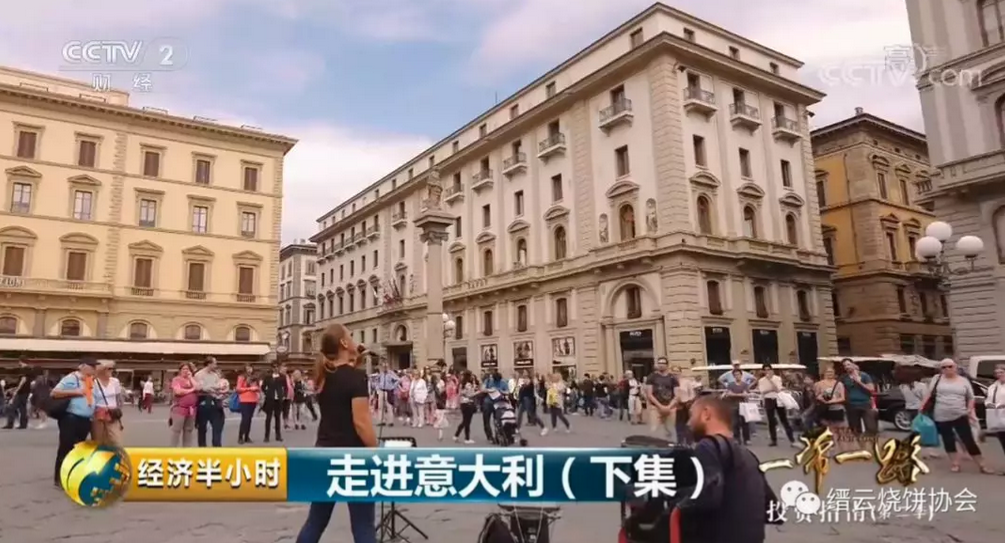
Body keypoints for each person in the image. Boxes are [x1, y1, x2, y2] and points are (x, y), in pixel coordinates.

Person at [295, 323, 378, 543]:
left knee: (316, 520)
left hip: (324, 451)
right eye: (350, 336)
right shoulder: (356, 377)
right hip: (354, 455)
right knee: (363, 524)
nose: (353, 340)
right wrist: (375, 450)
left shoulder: (323, 376)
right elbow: (361, 422)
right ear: (343, 342)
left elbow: (341, 381)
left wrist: (355, 362)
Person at [679, 395, 769, 543]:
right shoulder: (748, 455)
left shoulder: (708, 446)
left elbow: (707, 498)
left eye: (691, 415)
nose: (689, 423)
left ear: (706, 414)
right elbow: (771, 506)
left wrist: (675, 498)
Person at [921, 359, 994, 474]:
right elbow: (929, 394)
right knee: (948, 440)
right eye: (944, 367)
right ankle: (955, 463)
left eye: (950, 366)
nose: (947, 369)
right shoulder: (937, 379)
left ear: (955, 367)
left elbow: (971, 397)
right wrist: (921, 407)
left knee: (968, 440)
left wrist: (969, 410)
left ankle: (982, 465)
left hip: (960, 414)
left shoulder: (963, 381)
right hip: (941, 414)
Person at [52, 359, 96, 488]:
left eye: (94, 366)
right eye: (91, 366)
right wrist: (76, 392)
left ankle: (73, 475)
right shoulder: (71, 378)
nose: (93, 368)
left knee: (79, 448)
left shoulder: (90, 381)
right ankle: (60, 477)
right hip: (71, 417)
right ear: (82, 366)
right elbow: (54, 393)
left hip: (85, 418)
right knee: (66, 447)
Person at [839, 359, 878, 448]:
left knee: (871, 427)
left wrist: (859, 381)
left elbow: (871, 388)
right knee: (855, 428)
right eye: (845, 366)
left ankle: (872, 445)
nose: (847, 367)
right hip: (851, 405)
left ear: (853, 364)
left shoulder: (864, 375)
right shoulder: (844, 378)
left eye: (848, 364)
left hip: (865, 404)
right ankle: (860, 447)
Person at [757, 364, 795, 447]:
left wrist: (770, 381)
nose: (767, 371)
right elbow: (763, 391)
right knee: (771, 420)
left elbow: (778, 389)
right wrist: (770, 389)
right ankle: (773, 440)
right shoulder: (761, 380)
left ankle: (792, 439)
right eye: (765, 370)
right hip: (768, 399)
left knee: (783, 419)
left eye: (769, 369)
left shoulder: (777, 378)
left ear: (772, 370)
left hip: (778, 399)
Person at [194, 357, 229, 447]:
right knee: (202, 427)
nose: (216, 365)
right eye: (215, 363)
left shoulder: (215, 375)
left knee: (218, 425)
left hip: (215, 400)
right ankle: (202, 447)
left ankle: (216, 446)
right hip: (203, 400)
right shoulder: (199, 375)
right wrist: (214, 388)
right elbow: (201, 388)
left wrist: (217, 389)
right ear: (209, 364)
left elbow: (219, 387)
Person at [92, 360, 124, 447]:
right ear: (101, 370)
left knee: (116, 441)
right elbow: (91, 399)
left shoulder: (115, 381)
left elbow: (119, 398)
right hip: (98, 413)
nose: (112, 371)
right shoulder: (94, 382)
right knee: (99, 441)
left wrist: (118, 410)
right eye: (109, 369)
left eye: (113, 368)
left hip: (112, 413)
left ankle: (117, 455)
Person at [645, 357, 678, 439]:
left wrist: (669, 407)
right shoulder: (652, 377)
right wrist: (660, 406)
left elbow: (677, 395)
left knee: (670, 430)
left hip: (670, 407)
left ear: (667, 365)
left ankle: (670, 445)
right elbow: (649, 394)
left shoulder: (672, 378)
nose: (661, 365)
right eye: (659, 363)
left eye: (663, 363)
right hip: (655, 407)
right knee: (654, 430)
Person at [170, 362, 198, 447]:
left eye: (187, 369)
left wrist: (191, 378)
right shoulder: (176, 379)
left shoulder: (193, 379)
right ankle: (173, 450)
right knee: (176, 430)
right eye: (184, 369)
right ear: (180, 370)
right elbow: (178, 391)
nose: (186, 371)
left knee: (188, 430)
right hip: (179, 408)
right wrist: (191, 390)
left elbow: (198, 387)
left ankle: (186, 450)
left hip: (191, 409)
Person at [722, 369, 751, 445]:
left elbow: (745, 394)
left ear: (741, 375)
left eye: (738, 374)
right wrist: (740, 394)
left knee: (745, 423)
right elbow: (729, 394)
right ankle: (737, 439)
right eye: (735, 375)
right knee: (735, 423)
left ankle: (747, 439)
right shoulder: (730, 385)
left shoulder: (745, 385)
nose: (737, 376)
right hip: (733, 406)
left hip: (743, 406)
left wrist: (735, 394)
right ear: (733, 376)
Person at [261, 362, 288, 442]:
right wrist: (267, 393)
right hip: (270, 399)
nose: (276, 368)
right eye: (274, 367)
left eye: (277, 367)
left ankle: (278, 435)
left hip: (278, 399)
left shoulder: (282, 377)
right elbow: (263, 387)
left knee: (278, 417)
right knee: (268, 418)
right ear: (272, 368)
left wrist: (284, 395)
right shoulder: (268, 377)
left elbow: (286, 387)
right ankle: (266, 436)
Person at [985, 365, 1005, 465]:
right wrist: (988, 404)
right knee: (1003, 442)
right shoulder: (993, 387)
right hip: (998, 417)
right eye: (997, 373)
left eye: (1001, 372)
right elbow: (988, 399)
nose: (999, 375)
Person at [236, 365, 261, 444]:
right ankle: (240, 436)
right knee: (245, 419)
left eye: (250, 368)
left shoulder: (255, 378)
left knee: (249, 419)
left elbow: (259, 388)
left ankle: (247, 436)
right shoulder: (241, 377)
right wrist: (249, 389)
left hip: (253, 400)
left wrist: (256, 388)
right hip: (244, 400)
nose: (249, 370)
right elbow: (238, 389)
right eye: (247, 369)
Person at [481, 371, 509, 441]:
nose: (496, 382)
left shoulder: (503, 382)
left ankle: (497, 436)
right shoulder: (488, 380)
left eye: (498, 381)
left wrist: (501, 391)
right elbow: (482, 389)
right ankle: (489, 436)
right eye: (495, 380)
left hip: (498, 402)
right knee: (486, 420)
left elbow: (508, 392)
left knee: (497, 420)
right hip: (488, 402)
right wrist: (490, 390)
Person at [453, 371, 478, 443]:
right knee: (467, 422)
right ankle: (467, 438)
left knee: (464, 421)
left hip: (463, 403)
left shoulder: (462, 384)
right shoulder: (468, 384)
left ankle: (456, 435)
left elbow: (460, 393)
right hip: (468, 403)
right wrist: (478, 392)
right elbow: (470, 395)